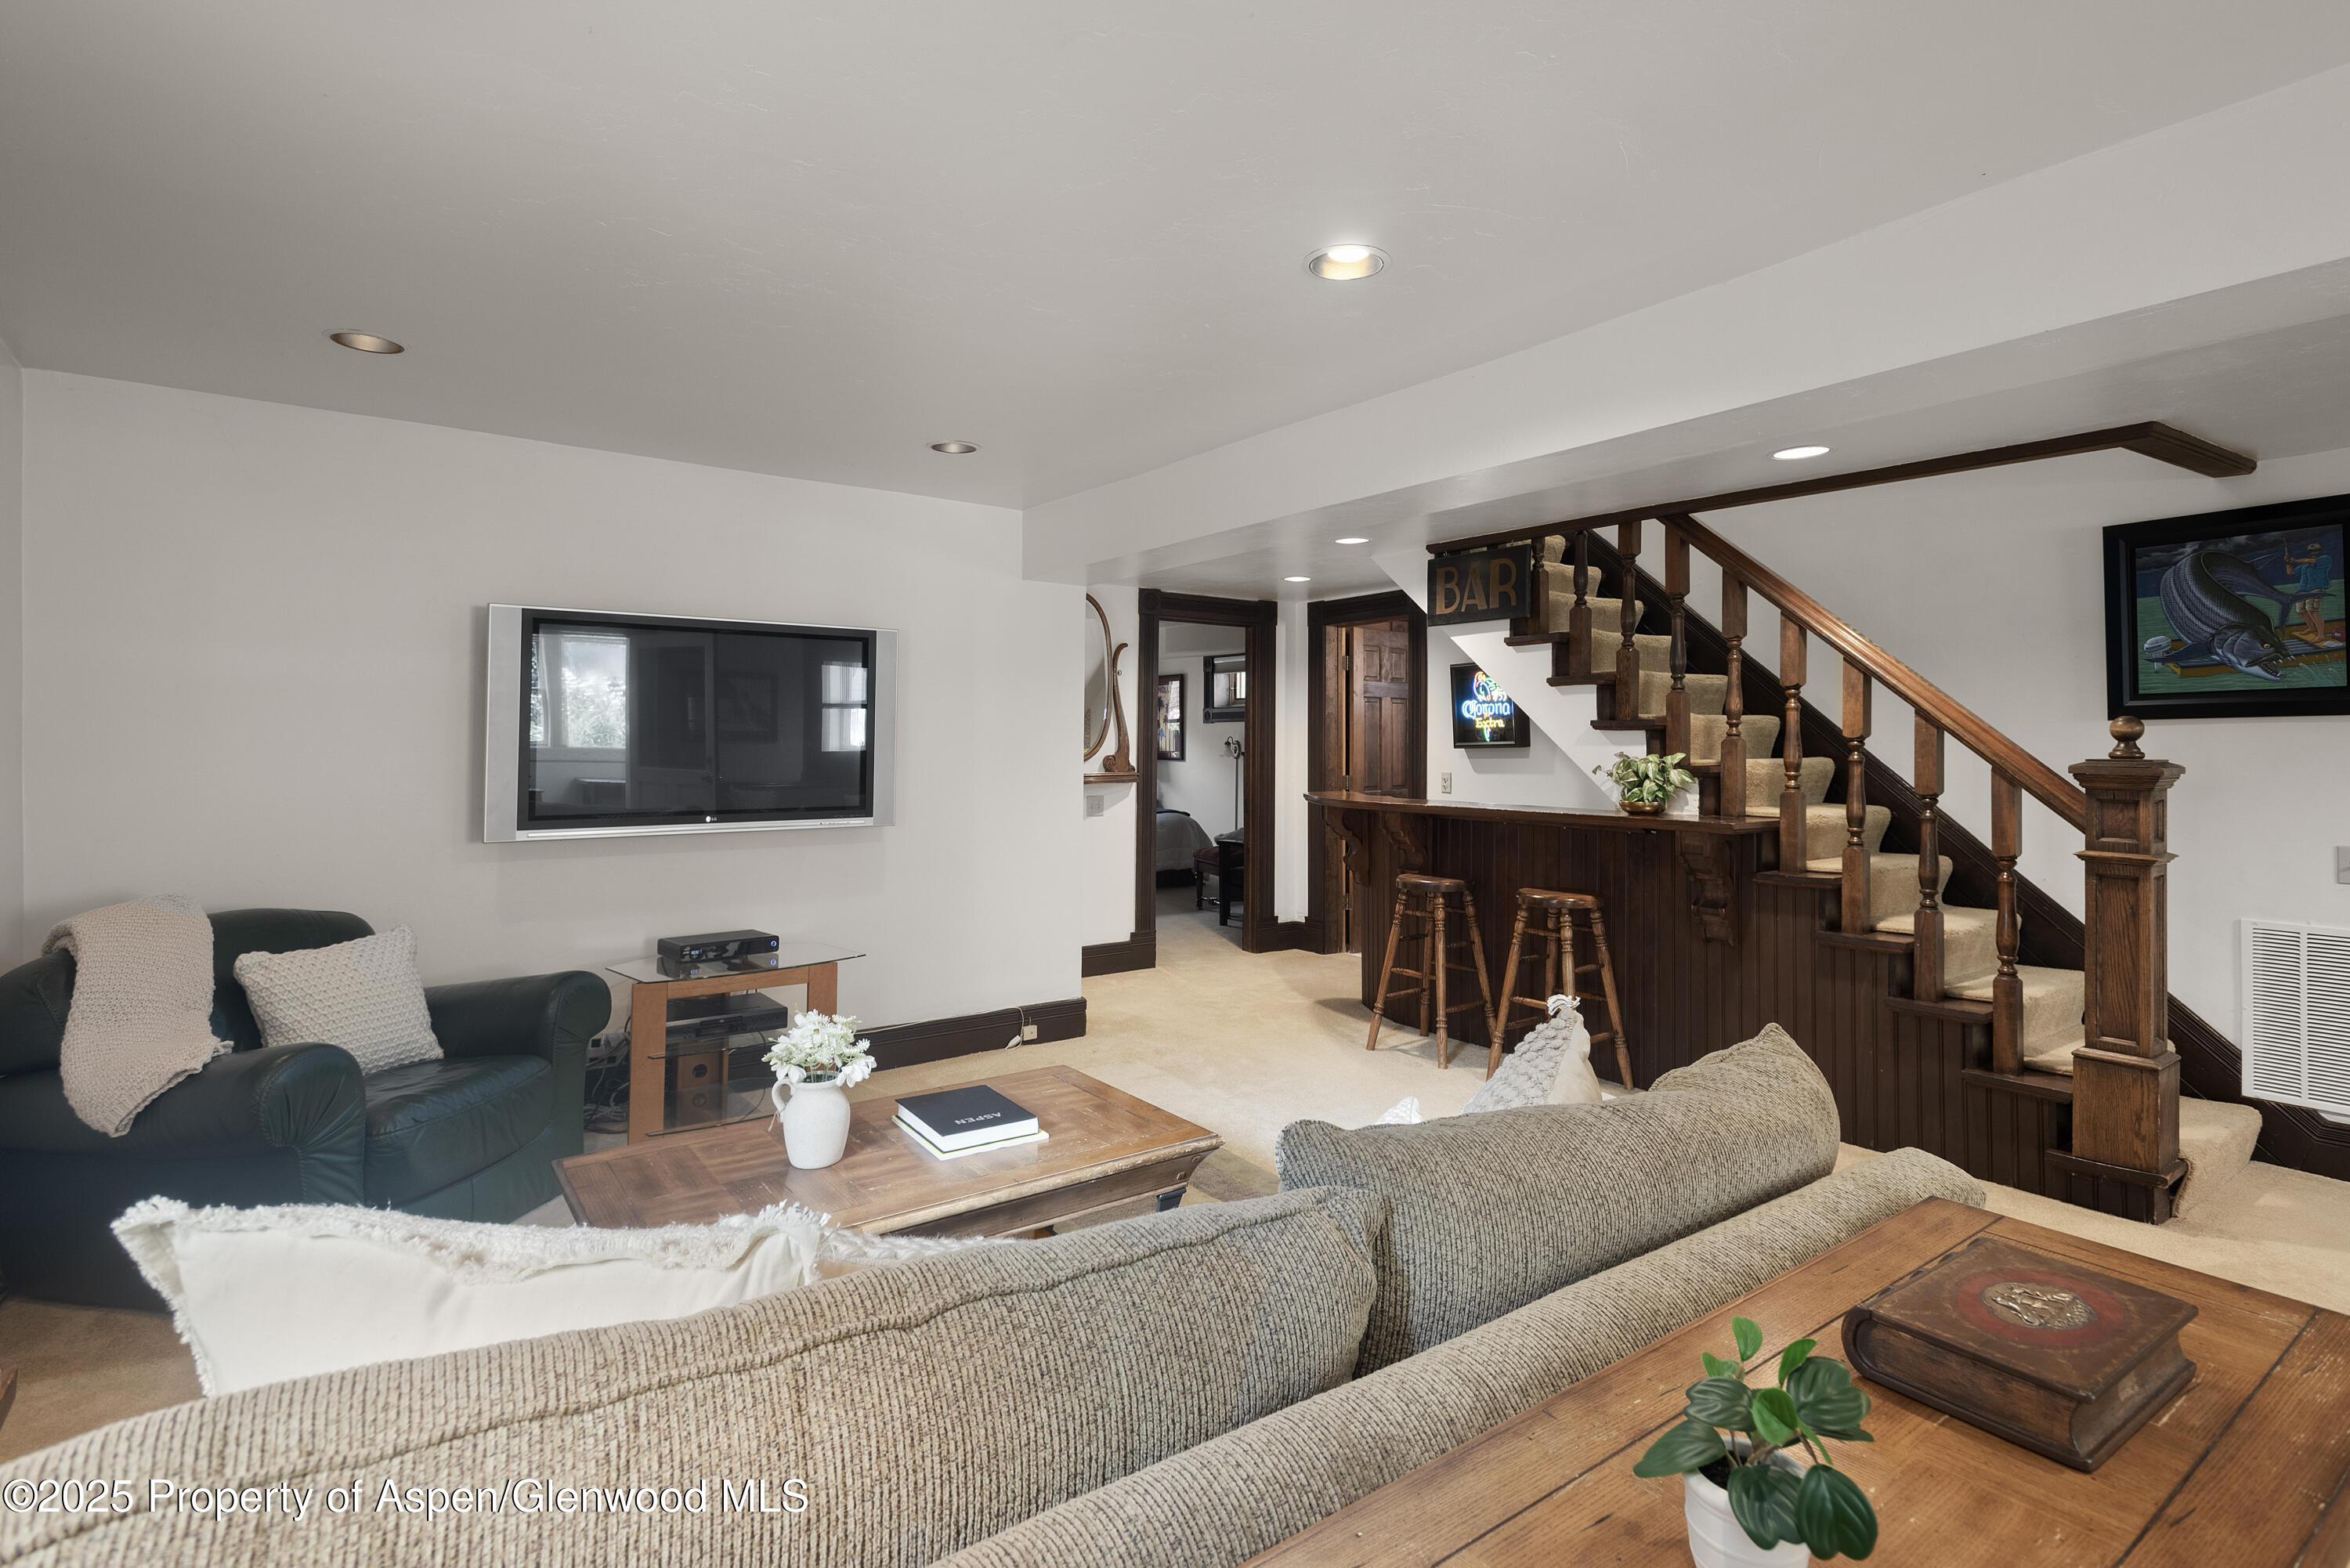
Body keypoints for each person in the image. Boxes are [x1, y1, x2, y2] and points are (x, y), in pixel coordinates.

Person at [2281, 539, 2342, 649]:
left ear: (2319, 551)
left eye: (2315, 551)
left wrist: (2295, 560)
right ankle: (2311, 628)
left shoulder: (2325, 559)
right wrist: (2288, 563)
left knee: (2312, 610)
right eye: (2311, 551)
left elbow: (2309, 561)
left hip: (2316, 588)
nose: (2313, 553)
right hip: (2302, 590)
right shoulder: (2304, 566)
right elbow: (2291, 572)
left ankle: (2321, 635)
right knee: (2300, 610)